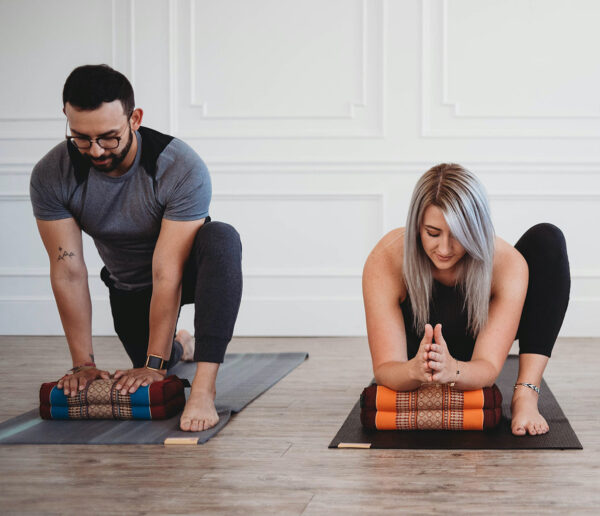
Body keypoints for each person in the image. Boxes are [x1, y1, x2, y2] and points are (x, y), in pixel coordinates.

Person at [29, 64, 242, 432]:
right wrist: (83, 365)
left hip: (184, 269)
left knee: (221, 238)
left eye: (108, 137)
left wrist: (153, 365)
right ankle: (179, 343)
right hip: (130, 288)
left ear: (135, 119)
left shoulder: (178, 165)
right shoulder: (52, 174)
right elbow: (68, 269)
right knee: (158, 361)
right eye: (81, 137)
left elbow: (167, 269)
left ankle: (204, 387)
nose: (94, 150)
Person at [362, 163, 570, 436]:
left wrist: (454, 370)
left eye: (459, 236)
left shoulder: (505, 263)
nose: (445, 249)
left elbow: (488, 368)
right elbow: (386, 368)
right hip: (419, 351)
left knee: (547, 239)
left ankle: (525, 396)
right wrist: (413, 371)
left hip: (477, 343)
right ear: (416, 227)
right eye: (433, 234)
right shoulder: (388, 257)